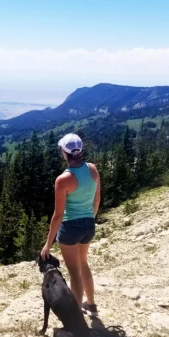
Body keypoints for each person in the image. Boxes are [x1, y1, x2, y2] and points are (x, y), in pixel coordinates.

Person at [41, 133, 101, 317]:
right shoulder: (92, 169)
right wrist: (89, 219)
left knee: (74, 272)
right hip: (89, 224)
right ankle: (91, 305)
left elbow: (58, 215)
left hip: (70, 228)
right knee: (83, 264)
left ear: (64, 153)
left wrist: (47, 244)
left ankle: (76, 317)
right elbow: (97, 199)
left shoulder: (63, 180)